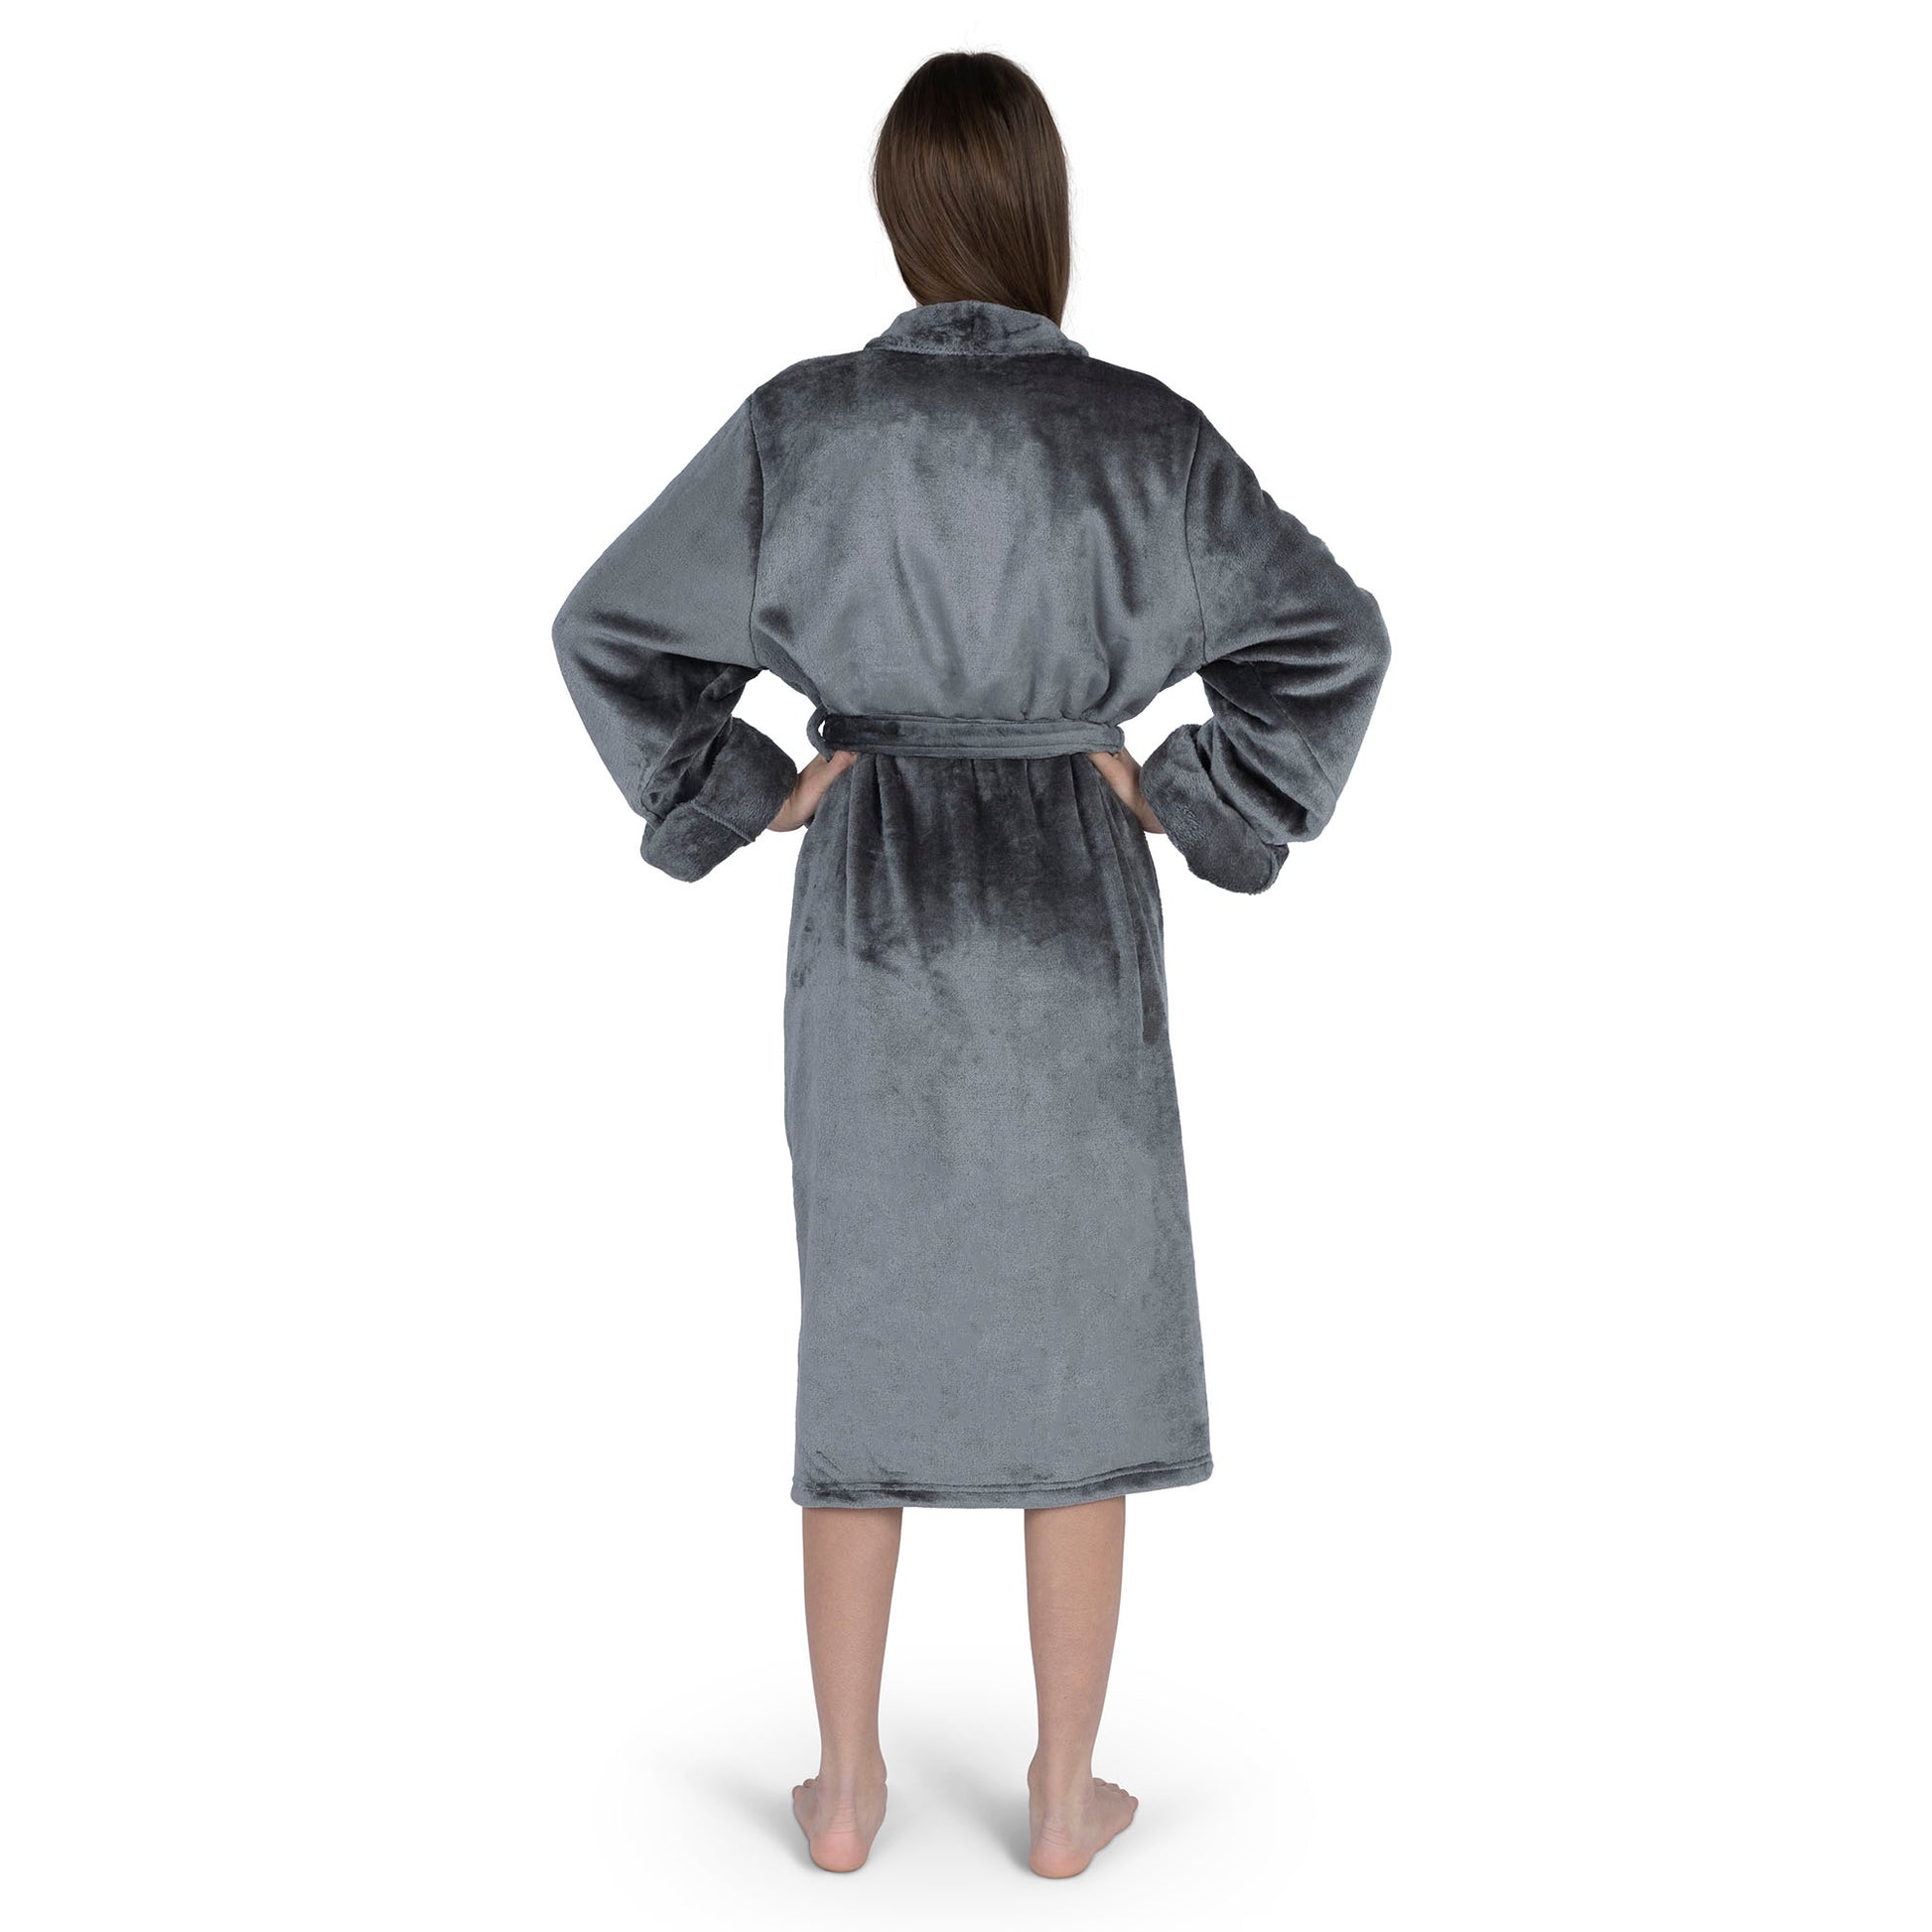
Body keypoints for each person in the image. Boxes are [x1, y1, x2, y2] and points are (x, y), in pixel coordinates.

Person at [551, 49, 1392, 1879]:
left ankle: (845, 1792)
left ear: (900, 213)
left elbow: (607, 625)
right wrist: (1179, 793)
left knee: (864, 1336)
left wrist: (748, 788)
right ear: (1039, 209)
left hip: (874, 916)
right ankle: (1065, 1798)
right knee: (1078, 1345)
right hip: (1070, 922)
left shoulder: (804, 427)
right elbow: (1331, 640)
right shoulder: (1141, 435)